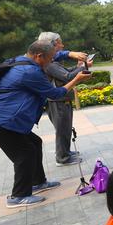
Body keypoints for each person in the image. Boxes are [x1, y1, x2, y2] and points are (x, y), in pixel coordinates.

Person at [0, 41, 91, 208]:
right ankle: (18, 196)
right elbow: (55, 93)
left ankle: (38, 182)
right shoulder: (29, 72)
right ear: (39, 56)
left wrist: (70, 53)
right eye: (50, 59)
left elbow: (52, 54)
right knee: (24, 154)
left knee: (35, 143)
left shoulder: (21, 60)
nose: (51, 62)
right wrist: (77, 80)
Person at [38, 32, 91, 166]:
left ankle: (65, 152)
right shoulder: (49, 64)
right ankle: (62, 158)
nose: (62, 45)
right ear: (52, 46)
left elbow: (65, 72)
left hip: (61, 100)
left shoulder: (52, 61)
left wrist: (81, 66)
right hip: (57, 102)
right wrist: (81, 69)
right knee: (62, 130)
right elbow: (67, 77)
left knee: (66, 129)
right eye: (60, 43)